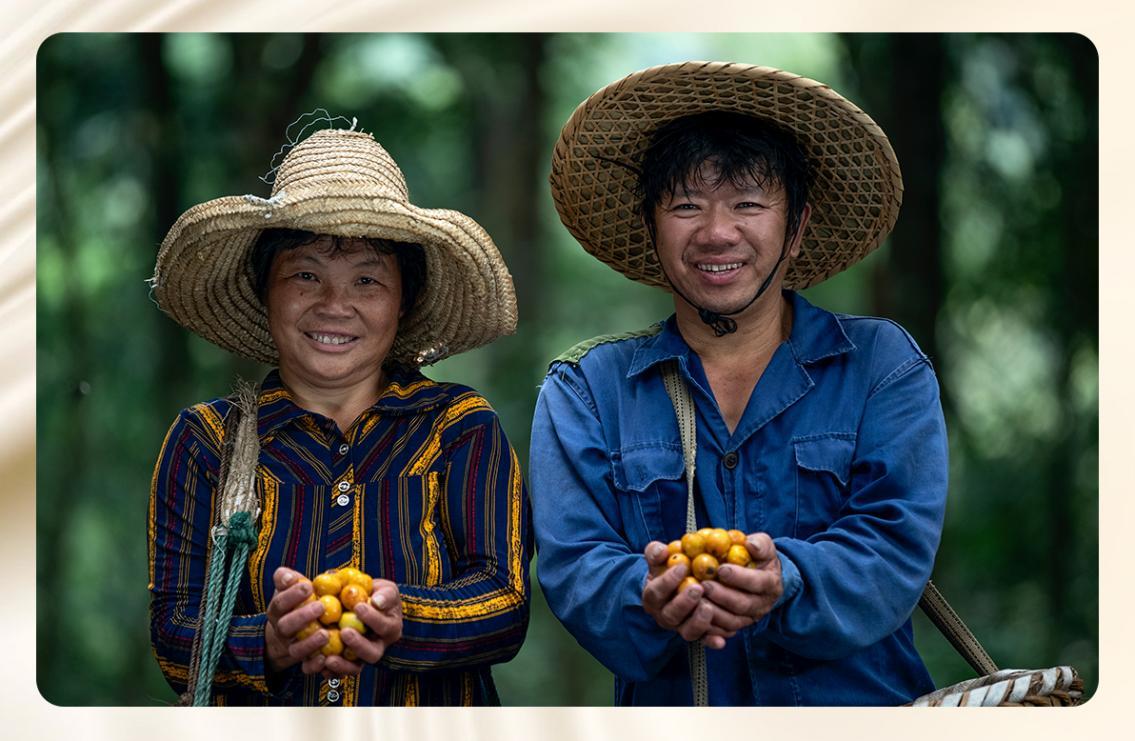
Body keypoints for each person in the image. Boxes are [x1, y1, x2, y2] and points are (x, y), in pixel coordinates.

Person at [531, 62, 948, 705]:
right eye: (686, 206)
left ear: (797, 225)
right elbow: (575, 566)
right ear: (651, 225)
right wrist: (648, 596)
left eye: (749, 204)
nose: (717, 232)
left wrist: (790, 578)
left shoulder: (880, 365)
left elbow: (893, 547)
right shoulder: (585, 389)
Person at [148, 125, 531, 706]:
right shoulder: (207, 441)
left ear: (404, 300)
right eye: (305, 275)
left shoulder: (460, 426)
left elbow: (504, 607)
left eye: (367, 280)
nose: (335, 305)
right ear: (264, 290)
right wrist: (270, 642)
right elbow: (173, 633)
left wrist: (404, 618)